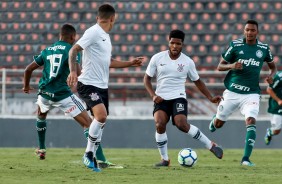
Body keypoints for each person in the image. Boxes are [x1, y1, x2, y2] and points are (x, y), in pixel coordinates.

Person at [22, 24, 117, 168]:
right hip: (62, 95)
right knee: (89, 124)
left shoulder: (47, 50)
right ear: (73, 37)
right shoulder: (72, 50)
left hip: (45, 93)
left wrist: (26, 86)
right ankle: (101, 159)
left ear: (60, 35)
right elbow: (78, 73)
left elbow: (28, 69)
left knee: (41, 117)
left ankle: (41, 148)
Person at [67, 4, 144, 172]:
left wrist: (130, 63)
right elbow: (74, 50)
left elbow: (109, 62)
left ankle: (94, 157)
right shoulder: (93, 31)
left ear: (98, 17)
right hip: (88, 83)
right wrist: (73, 71)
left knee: (101, 121)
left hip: (101, 86)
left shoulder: (105, 37)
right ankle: (88, 155)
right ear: (112, 18)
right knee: (101, 116)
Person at [143, 29, 223, 167]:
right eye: (172, 43)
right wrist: (153, 95)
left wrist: (210, 97)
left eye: (178, 44)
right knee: (159, 124)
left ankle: (211, 145)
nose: (175, 46)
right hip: (161, 98)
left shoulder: (187, 62)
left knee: (181, 124)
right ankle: (165, 159)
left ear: (182, 45)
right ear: (168, 43)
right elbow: (146, 79)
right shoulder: (157, 58)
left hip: (178, 97)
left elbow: (197, 81)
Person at [208, 20, 277, 166]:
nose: (249, 32)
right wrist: (232, 65)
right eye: (247, 30)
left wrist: (271, 76)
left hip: (251, 93)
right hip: (232, 92)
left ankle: (245, 159)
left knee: (251, 121)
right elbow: (220, 66)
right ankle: (215, 119)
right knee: (219, 124)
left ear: (257, 32)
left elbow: (273, 67)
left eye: (252, 30)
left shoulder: (263, 48)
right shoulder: (235, 45)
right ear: (244, 31)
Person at [264, 71, 282, 145]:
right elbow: (269, 89)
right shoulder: (279, 77)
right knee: (276, 130)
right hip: (277, 107)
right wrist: (278, 100)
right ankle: (270, 132)